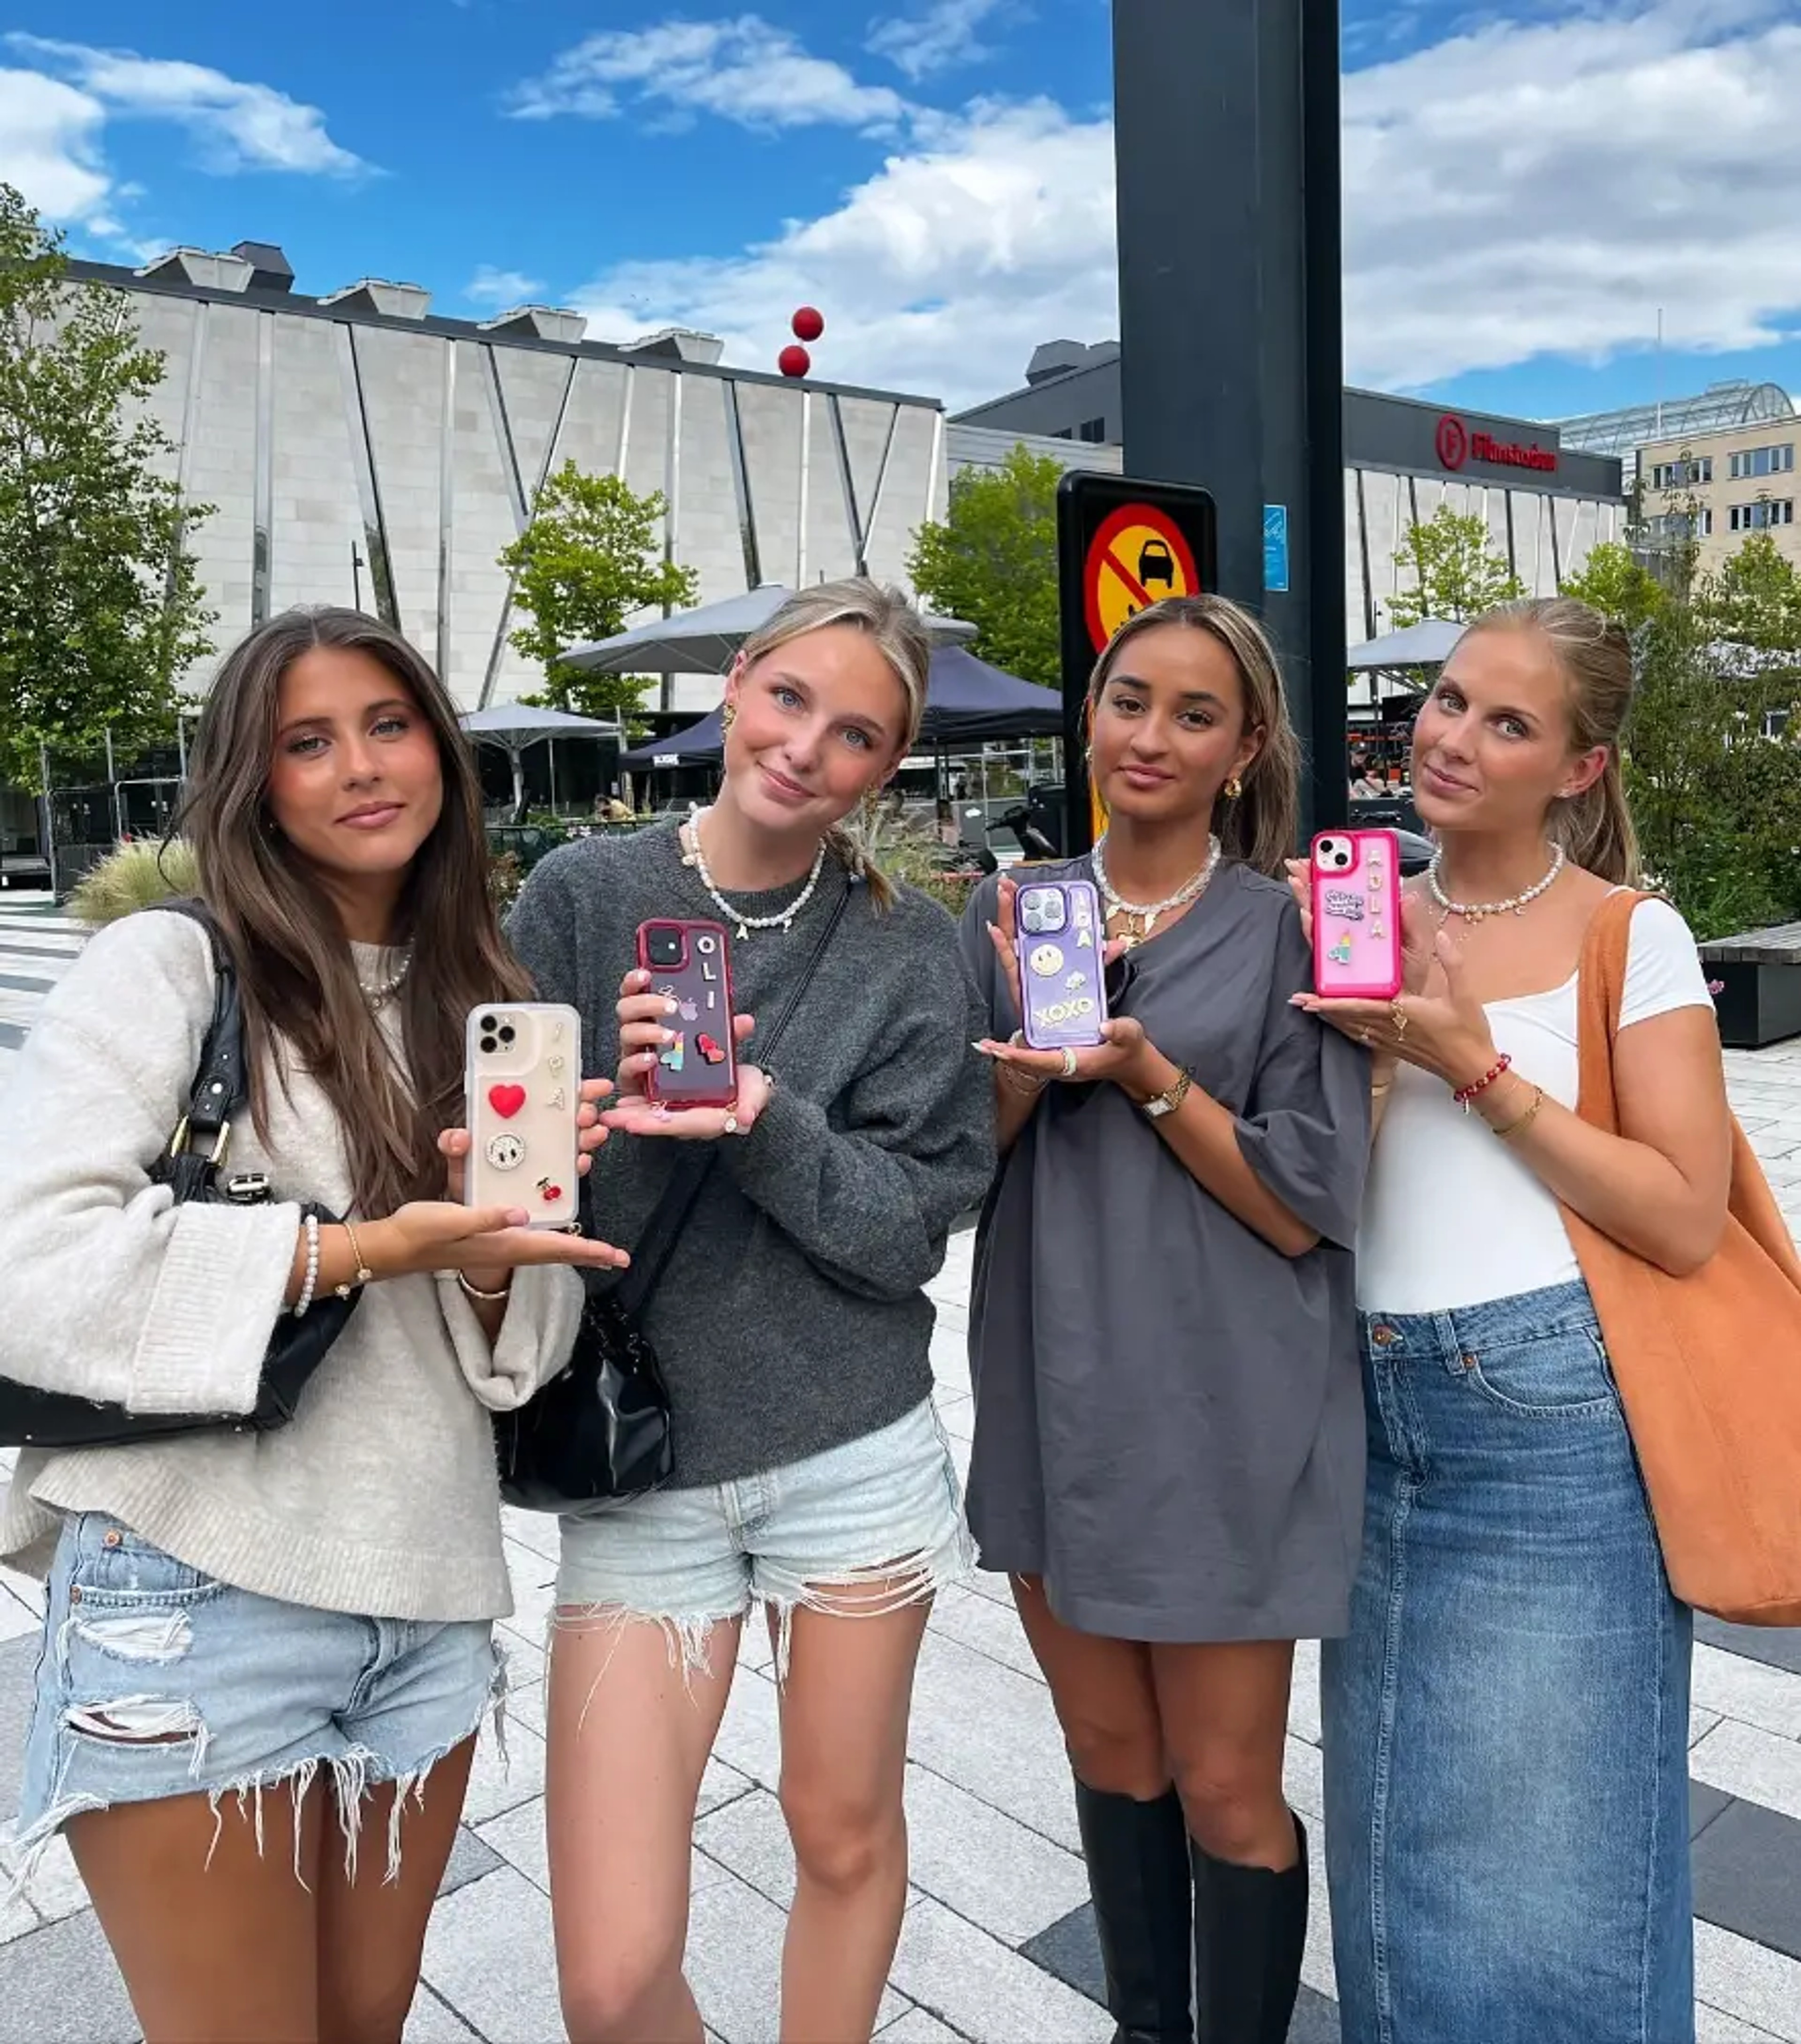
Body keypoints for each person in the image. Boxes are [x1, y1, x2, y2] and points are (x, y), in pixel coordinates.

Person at [0, 608, 624, 2044]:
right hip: (194, 1590)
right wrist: (357, 1250)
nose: (362, 765)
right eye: (309, 740)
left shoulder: (490, 1003)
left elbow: (516, 1360)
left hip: (427, 1599)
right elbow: (29, 1263)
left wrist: (483, 1257)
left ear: (441, 752)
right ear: (254, 780)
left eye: (389, 725)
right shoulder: (173, 965)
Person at [505, 579, 995, 2044]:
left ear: (886, 766)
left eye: (856, 735)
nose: (805, 749)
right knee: (610, 1979)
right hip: (646, 1468)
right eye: (790, 700)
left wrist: (761, 1119)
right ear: (736, 687)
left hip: (852, 1452)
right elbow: (515, 1188)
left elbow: (907, 1237)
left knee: (841, 1836)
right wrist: (587, 1113)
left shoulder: (911, 949)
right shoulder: (581, 896)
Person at [1293, 597, 1724, 2044]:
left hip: (1550, 1416)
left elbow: (1683, 1212)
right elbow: (1315, 1189)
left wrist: (1472, 1066)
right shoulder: (1354, 910)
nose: (1454, 738)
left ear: (1579, 769)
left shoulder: (1627, 933)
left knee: (1559, 1882)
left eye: (1509, 722)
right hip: (1366, 1406)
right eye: (1448, 699)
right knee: (1398, 1860)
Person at [963, 594, 1370, 2044]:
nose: (1152, 736)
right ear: (1089, 714)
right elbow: (956, 1168)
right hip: (1051, 1384)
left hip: (1224, 1406)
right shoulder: (1007, 913)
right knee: (1109, 1750)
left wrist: (1144, 1073)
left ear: (1245, 751)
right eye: (1130, 700)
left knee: (1228, 1785)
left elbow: (1304, 1204)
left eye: (1197, 715)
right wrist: (1022, 1067)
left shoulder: (1289, 932)